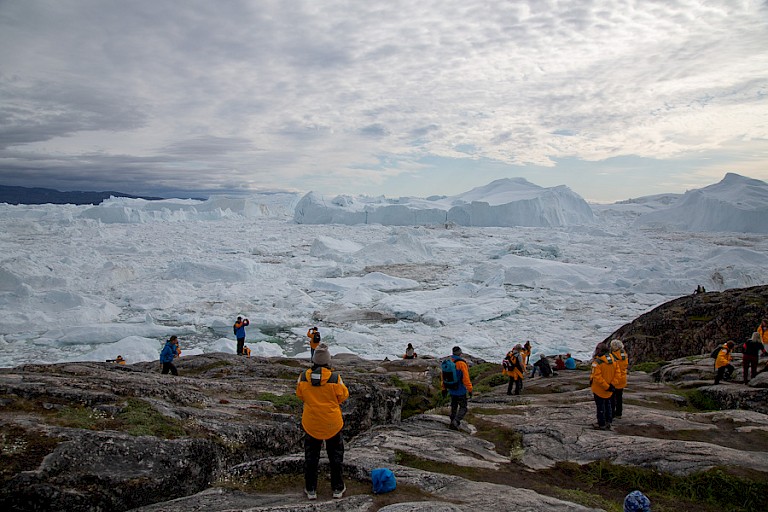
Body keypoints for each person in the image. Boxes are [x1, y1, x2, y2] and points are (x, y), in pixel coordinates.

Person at [295, 343, 349, 501]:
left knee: (311, 457)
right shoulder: (334, 378)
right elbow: (343, 396)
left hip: (311, 423)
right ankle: (337, 488)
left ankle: (311, 488)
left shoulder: (304, 377)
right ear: (328, 361)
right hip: (332, 423)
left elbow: (300, 394)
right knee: (335, 457)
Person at [441, 346, 473, 430]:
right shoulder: (461, 363)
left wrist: (443, 388)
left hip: (451, 389)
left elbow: (443, 377)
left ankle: (452, 422)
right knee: (463, 408)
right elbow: (466, 378)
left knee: (454, 406)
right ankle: (456, 421)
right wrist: (470, 389)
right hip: (460, 390)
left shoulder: (448, 362)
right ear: (460, 353)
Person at [590, 342, 619, 430]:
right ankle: (608, 422)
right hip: (610, 388)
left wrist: (606, 386)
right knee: (608, 405)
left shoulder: (597, 362)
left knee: (600, 407)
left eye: (597, 349)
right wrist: (612, 385)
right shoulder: (614, 359)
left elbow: (597, 377)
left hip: (599, 389)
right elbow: (618, 373)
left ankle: (601, 424)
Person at [610, 339, 629, 419]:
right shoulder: (624, 355)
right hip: (622, 379)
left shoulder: (613, 355)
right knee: (619, 397)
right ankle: (619, 413)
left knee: (612, 398)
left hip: (615, 379)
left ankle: (612, 413)